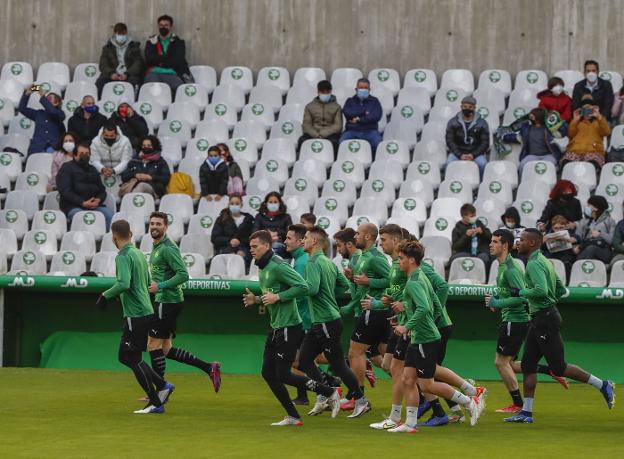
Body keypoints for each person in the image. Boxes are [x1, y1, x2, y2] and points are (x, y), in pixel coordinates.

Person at [504, 229, 615, 423]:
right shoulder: (546, 261)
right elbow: (559, 288)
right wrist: (547, 303)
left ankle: (603, 385)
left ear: (531, 243)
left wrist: (520, 291)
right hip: (541, 317)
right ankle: (526, 413)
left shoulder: (533, 264)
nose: (517, 243)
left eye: (521, 240)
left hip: (544, 319)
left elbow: (541, 290)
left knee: (559, 367)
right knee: (529, 365)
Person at [242, 230, 341, 426]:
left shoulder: (278, 265)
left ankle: (328, 391)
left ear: (267, 246)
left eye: (255, 246)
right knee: (267, 373)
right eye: (250, 247)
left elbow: (303, 287)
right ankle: (293, 416)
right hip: (276, 326)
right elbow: (272, 294)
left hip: (290, 327)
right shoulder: (263, 267)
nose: (251, 250)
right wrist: (257, 299)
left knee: (283, 374)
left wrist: (278, 297)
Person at [388, 241, 484, 432]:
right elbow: (430, 305)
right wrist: (406, 316)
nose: (398, 262)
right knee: (408, 380)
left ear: (412, 260)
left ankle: (469, 401)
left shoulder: (415, 282)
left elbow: (424, 308)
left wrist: (406, 326)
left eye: (401, 258)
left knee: (428, 385)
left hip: (424, 338)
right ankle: (410, 424)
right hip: (420, 337)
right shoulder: (419, 276)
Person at [95, 219, 174, 414]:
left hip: (135, 314)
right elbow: (147, 282)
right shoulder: (139, 253)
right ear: (130, 234)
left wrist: (105, 296)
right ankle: (162, 386)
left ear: (114, 237)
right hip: (146, 309)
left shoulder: (122, 256)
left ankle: (156, 401)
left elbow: (123, 283)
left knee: (130, 356)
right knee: (127, 356)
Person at [300, 226, 371, 418]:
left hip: (325, 321)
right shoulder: (329, 262)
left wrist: (294, 289)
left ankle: (362, 401)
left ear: (314, 241)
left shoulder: (313, 262)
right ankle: (324, 395)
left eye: (305, 238)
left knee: (338, 365)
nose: (302, 240)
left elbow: (312, 289)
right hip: (324, 320)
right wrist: (329, 296)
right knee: (305, 360)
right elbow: (343, 285)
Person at [146, 212, 221, 391]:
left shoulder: (168, 248)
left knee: (152, 345)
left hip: (167, 301)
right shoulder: (157, 245)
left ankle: (161, 390)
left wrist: (160, 286)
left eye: (158, 224)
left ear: (165, 227)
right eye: (152, 223)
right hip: (167, 301)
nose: (154, 226)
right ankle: (209, 368)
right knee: (165, 349)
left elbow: (183, 275)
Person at [339, 223, 390, 411]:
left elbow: (390, 279)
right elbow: (362, 287)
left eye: (358, 234)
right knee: (385, 358)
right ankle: (418, 387)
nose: (355, 237)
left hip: (374, 310)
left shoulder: (376, 258)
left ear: (368, 237)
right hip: (370, 310)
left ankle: (357, 396)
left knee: (355, 352)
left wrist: (369, 281)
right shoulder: (363, 257)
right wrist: (352, 278)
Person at [485, 229, 530, 413]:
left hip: (515, 319)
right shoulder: (502, 266)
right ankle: (550, 369)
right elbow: (508, 291)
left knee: (500, 362)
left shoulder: (511, 269)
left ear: (505, 246)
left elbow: (522, 297)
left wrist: (498, 302)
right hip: (511, 318)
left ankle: (518, 404)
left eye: (495, 241)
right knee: (509, 364)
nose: (491, 244)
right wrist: (496, 299)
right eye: (491, 241)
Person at [284, 224, 312, 405]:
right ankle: (303, 396)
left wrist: (281, 297)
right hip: (305, 317)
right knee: (300, 360)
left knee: (301, 360)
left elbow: (302, 292)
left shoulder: (302, 263)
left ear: (300, 241)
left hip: (306, 318)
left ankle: (347, 366)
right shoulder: (299, 260)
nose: (285, 241)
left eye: (289, 238)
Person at [56, 142, 113, 230]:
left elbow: (102, 190)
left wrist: (98, 200)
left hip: (94, 206)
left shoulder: (93, 169)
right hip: (74, 206)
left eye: (87, 154)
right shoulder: (66, 168)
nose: (84, 156)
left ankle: (110, 241)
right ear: (75, 156)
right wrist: (82, 203)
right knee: (81, 218)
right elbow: (65, 190)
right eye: (81, 154)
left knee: (109, 216)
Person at [144, 14, 192, 95]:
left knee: (180, 90)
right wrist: (167, 59)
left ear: (170, 27)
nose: (163, 27)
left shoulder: (178, 42)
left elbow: (178, 60)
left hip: (172, 72)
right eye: (161, 25)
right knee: (153, 90)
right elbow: (149, 59)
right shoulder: (151, 41)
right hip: (154, 73)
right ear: (158, 26)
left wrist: (160, 62)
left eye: (166, 25)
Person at [445, 95, 490, 176]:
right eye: (465, 106)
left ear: (474, 108)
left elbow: (485, 143)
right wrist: (460, 155)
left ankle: (481, 184)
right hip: (458, 152)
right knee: (449, 163)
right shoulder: (452, 122)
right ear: (461, 107)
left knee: (483, 164)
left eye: (470, 107)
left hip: (475, 153)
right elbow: (450, 141)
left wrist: (473, 155)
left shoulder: (482, 123)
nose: (467, 109)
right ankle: (448, 182)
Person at [95, 22, 144, 96]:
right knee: (100, 82)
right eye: (119, 34)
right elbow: (103, 64)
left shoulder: (134, 47)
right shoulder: (107, 48)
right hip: (113, 74)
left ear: (126, 33)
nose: (121, 36)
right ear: (114, 33)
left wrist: (127, 74)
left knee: (135, 81)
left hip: (129, 74)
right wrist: (111, 74)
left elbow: (138, 63)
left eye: (123, 34)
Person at [563, 94, 611, 168]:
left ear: (594, 109)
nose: (587, 111)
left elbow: (606, 132)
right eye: (584, 109)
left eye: (589, 109)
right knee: (567, 164)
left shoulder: (599, 121)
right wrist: (575, 120)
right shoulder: (577, 122)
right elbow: (571, 135)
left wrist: (599, 117)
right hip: (575, 150)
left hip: (594, 151)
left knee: (591, 165)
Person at [299, 80, 343, 154]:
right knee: (302, 140)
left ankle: (333, 162)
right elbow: (306, 125)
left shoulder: (337, 107)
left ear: (331, 91)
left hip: (330, 134)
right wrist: (316, 134)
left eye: (327, 92)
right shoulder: (310, 106)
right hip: (313, 133)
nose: (325, 94)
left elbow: (338, 126)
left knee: (335, 142)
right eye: (323, 92)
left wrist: (323, 133)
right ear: (318, 92)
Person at [340, 78, 383, 152]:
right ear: (356, 89)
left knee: (378, 144)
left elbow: (376, 116)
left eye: (366, 88)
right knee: (342, 142)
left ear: (369, 89)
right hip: (352, 130)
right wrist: (364, 113)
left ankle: (373, 162)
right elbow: (347, 113)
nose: (363, 90)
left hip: (370, 130)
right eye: (361, 88)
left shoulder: (375, 101)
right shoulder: (350, 101)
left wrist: (359, 119)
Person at [18, 86, 65, 154]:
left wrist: (43, 96)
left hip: (53, 149)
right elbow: (22, 108)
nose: (46, 100)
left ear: (56, 103)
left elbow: (52, 111)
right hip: (37, 149)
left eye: (49, 98)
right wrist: (27, 94)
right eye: (47, 98)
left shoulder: (60, 114)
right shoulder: (39, 113)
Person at [211, 194, 254, 262]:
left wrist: (240, 242)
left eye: (237, 203)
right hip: (225, 248)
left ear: (241, 205)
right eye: (232, 203)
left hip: (243, 248)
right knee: (230, 257)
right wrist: (230, 240)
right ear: (229, 205)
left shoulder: (248, 219)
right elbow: (215, 238)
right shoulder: (221, 219)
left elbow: (252, 237)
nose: (234, 205)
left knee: (240, 258)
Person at [574, 195, 615, 264]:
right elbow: (577, 237)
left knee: (591, 249)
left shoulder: (609, 221)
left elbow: (612, 241)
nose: (586, 207)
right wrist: (575, 247)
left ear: (596, 208)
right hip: (584, 249)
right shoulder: (584, 221)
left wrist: (600, 234)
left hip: (604, 251)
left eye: (589, 205)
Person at [252, 192, 293, 257]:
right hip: (263, 243)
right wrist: (267, 235)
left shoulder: (286, 217)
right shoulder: (259, 216)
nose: (273, 204)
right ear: (266, 203)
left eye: (275, 202)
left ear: (280, 203)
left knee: (275, 246)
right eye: (270, 202)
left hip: (281, 244)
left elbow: (291, 233)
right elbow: (255, 232)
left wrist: (277, 234)